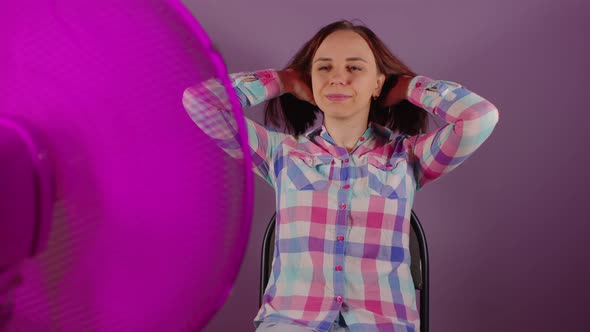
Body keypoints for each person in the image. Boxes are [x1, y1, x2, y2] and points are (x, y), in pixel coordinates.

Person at [182, 20, 499, 332]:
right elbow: (200, 102)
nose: (337, 78)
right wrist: (283, 80)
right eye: (324, 68)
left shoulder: (408, 156)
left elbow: (479, 118)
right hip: (293, 324)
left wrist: (407, 86)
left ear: (377, 83)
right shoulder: (281, 154)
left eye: (354, 68)